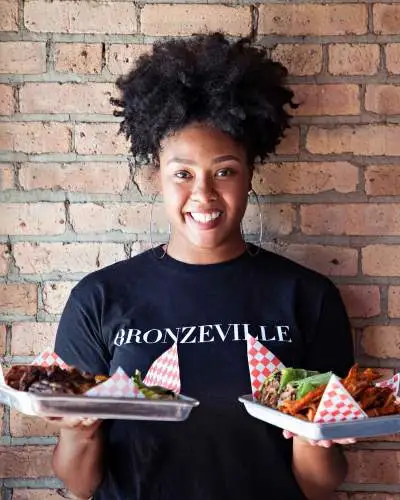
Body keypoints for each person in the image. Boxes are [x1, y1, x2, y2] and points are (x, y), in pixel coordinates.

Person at [51, 33, 355, 500]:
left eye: (225, 170)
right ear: (156, 175)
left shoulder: (306, 296)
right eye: (183, 173)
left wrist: (309, 433)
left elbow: (319, 487)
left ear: (251, 173)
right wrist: (79, 429)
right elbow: (79, 484)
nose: (204, 194)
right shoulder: (99, 298)